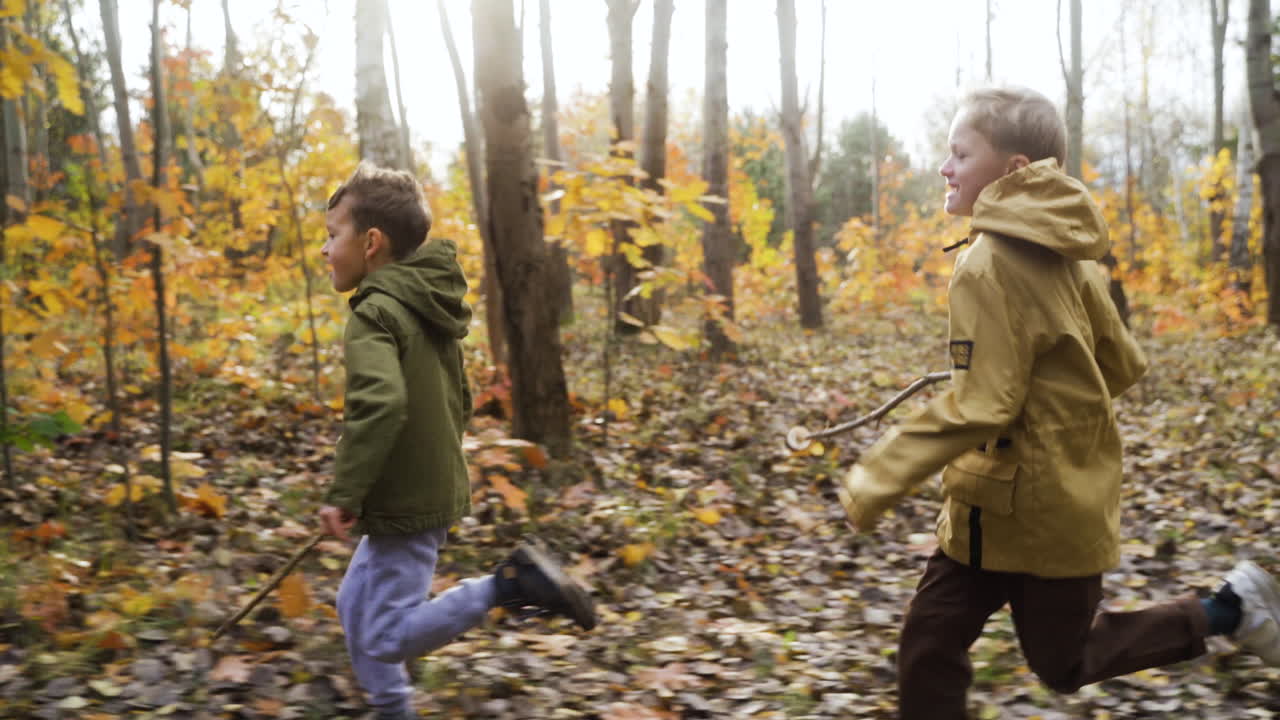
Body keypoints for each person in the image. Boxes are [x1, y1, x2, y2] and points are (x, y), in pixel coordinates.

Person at [835, 87, 1280, 719]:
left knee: (1063, 661)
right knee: (929, 644)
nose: (944, 167)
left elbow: (981, 407)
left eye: (960, 153)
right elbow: (1122, 364)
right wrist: (1026, 374)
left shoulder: (985, 265)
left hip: (1044, 516)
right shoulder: (1075, 257)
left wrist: (872, 480)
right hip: (986, 512)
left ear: (1013, 172)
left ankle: (1229, 609)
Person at [317, 163, 597, 720]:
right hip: (417, 489)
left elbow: (381, 403)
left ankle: (506, 587)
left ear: (371, 243)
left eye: (332, 235)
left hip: (406, 501)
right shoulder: (426, 304)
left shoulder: (374, 313)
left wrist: (345, 491)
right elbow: (459, 396)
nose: (325, 249)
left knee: (384, 637)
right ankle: (392, 707)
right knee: (354, 606)